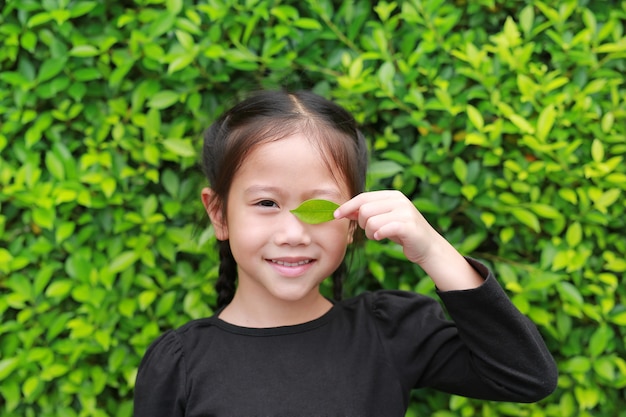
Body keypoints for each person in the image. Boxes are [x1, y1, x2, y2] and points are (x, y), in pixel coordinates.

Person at [133, 90, 558, 416]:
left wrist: (431, 247)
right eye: (266, 203)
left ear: (354, 218)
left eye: (317, 208)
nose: (294, 233)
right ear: (219, 213)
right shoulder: (179, 363)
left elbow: (526, 376)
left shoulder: (389, 333)